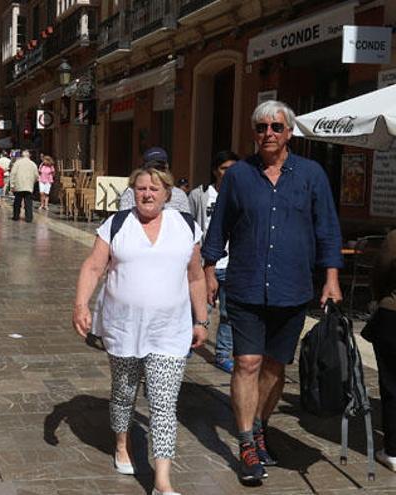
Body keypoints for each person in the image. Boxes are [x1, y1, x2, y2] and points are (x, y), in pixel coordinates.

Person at [202, 100, 343, 484]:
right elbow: (220, 227)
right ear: (254, 133)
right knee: (247, 362)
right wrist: (210, 268)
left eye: (276, 127)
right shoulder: (238, 176)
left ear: (289, 132)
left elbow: (327, 228)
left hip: (292, 287)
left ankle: (261, 426)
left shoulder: (312, 175)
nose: (268, 134)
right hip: (246, 285)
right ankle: (247, 442)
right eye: (261, 127)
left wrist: (331, 278)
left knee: (275, 366)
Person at [72, 166, 207, 495]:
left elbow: (196, 276)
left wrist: (201, 319)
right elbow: (93, 266)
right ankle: (122, 444)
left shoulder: (185, 225)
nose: (147, 194)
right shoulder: (117, 224)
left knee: (163, 403)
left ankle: (162, 481)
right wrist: (80, 305)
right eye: (141, 188)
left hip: (169, 331)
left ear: (168, 193)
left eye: (154, 188)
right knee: (123, 394)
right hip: (123, 329)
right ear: (133, 192)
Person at [188, 150, 239, 373]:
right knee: (200, 308)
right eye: (224, 168)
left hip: (232, 265)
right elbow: (189, 226)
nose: (228, 173)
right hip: (204, 264)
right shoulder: (200, 195)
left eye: (233, 168)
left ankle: (222, 354)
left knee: (228, 313)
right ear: (215, 171)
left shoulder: (240, 195)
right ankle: (188, 343)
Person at [370, 229, 396, 472]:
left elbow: (380, 274)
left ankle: (393, 452)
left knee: (391, 386)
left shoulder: (394, 238)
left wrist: (380, 299)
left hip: (392, 315)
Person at [119, 147, 191, 214]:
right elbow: (124, 220)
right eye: (151, 168)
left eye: (159, 168)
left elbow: (186, 223)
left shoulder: (180, 195)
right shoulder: (131, 192)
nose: (156, 172)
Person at [10, 150, 40, 222]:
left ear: (22, 156)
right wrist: (33, 182)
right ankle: (29, 218)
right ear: (29, 156)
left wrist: (12, 185)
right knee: (28, 202)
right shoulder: (33, 164)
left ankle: (16, 216)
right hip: (28, 186)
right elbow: (36, 176)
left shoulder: (17, 163)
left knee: (17, 202)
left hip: (18, 185)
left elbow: (13, 174)